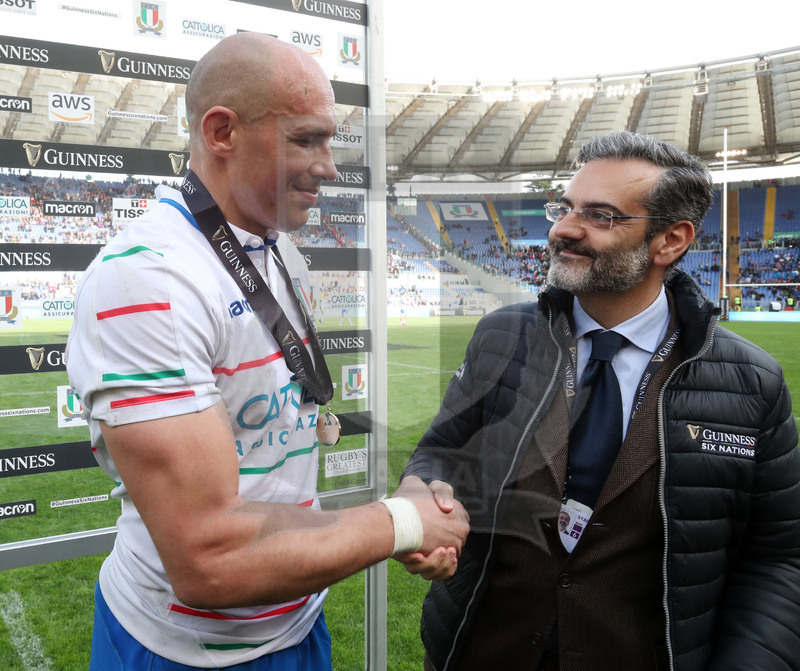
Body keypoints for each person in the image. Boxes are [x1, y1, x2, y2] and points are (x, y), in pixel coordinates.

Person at [66, 33, 468, 671]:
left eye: (329, 140)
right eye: (306, 139)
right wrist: (405, 524)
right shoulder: (148, 279)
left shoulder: (277, 247)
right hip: (186, 649)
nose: (330, 166)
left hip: (294, 618)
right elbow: (209, 560)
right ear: (221, 131)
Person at [401, 131, 800, 671]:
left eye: (601, 216)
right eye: (564, 208)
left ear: (671, 241)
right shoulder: (500, 336)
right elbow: (443, 452)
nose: (564, 229)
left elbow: (777, 557)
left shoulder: (751, 382)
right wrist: (423, 493)